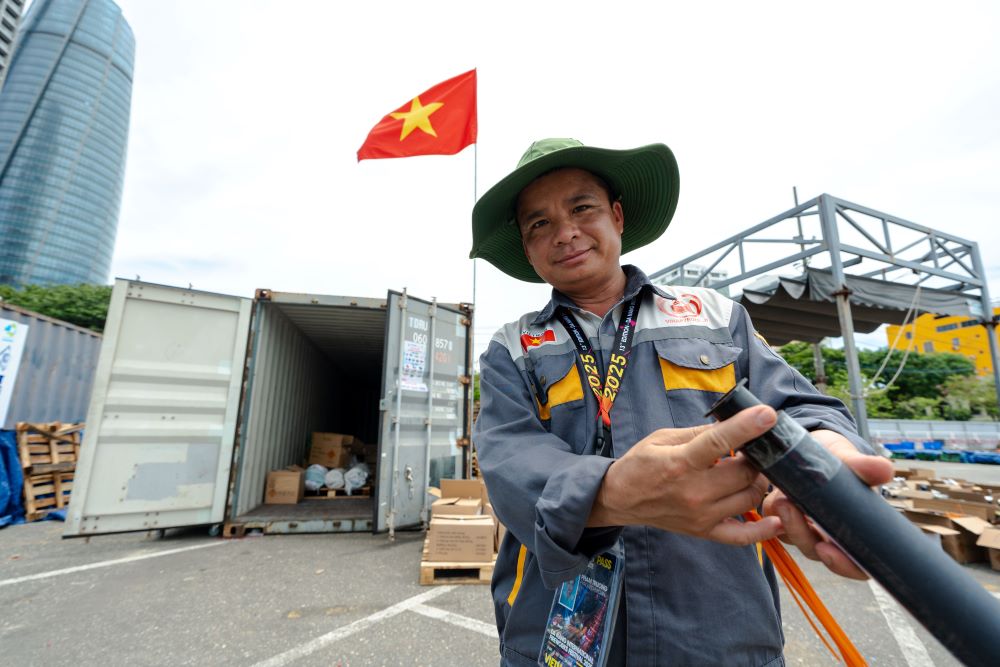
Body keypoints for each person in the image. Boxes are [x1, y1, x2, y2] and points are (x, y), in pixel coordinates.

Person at [469, 138, 893, 666]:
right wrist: (613, 492)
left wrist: (826, 462)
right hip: (557, 636)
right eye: (540, 223)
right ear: (528, 249)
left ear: (617, 216)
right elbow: (509, 462)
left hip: (722, 632)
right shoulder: (513, 347)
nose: (566, 232)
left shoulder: (714, 316)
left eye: (582, 208)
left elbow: (797, 408)